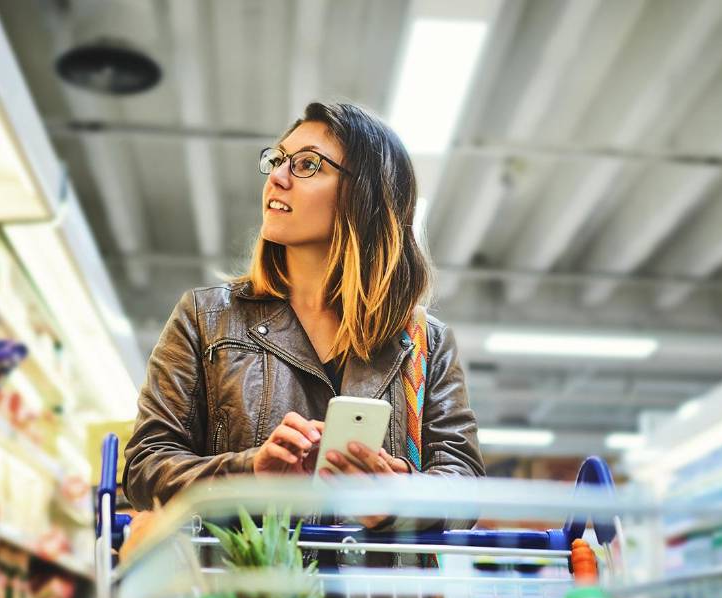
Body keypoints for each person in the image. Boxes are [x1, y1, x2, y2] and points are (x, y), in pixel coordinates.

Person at [122, 101, 484, 529]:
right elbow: (144, 469)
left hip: (378, 593)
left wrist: (398, 493)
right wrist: (249, 472)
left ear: (365, 195)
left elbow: (465, 489)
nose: (277, 177)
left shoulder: (425, 341)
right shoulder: (206, 317)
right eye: (277, 160)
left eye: (308, 165)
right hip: (248, 592)